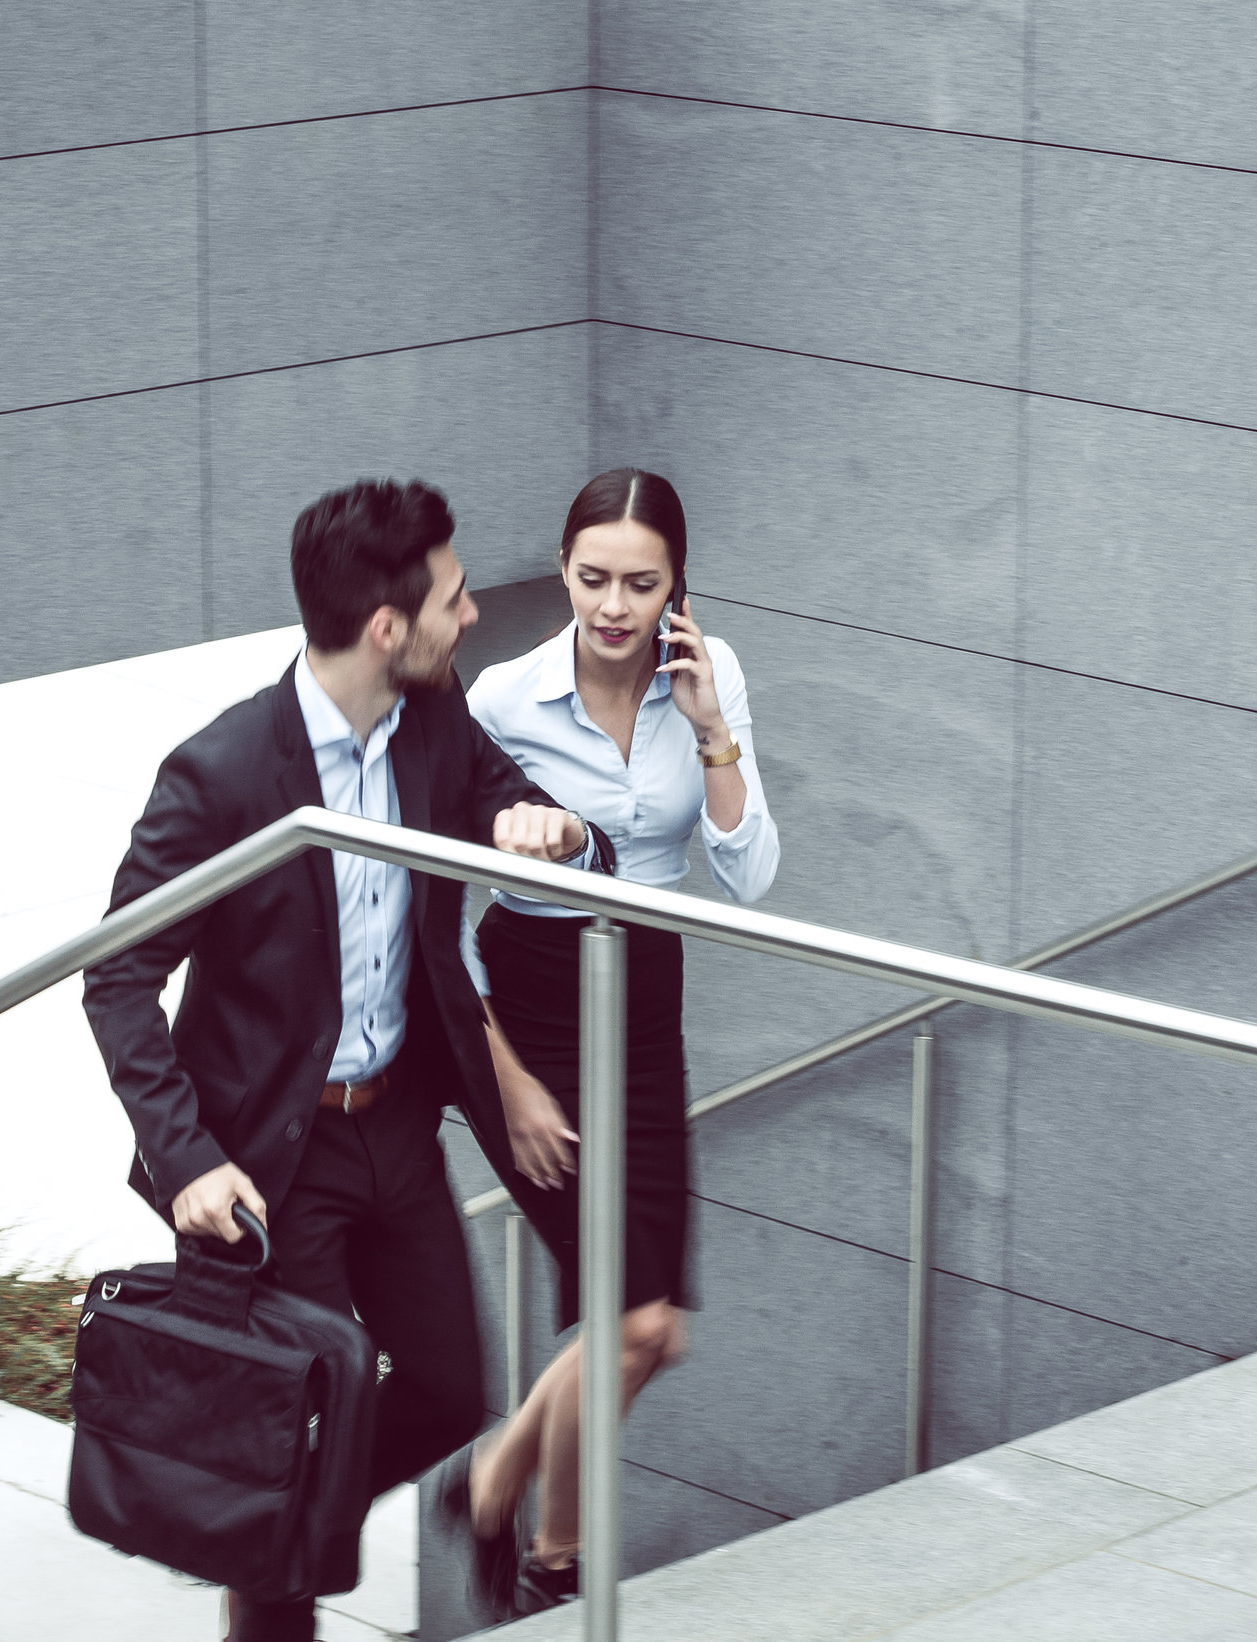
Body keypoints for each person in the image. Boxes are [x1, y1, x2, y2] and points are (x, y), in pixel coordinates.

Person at [80, 479, 610, 1642]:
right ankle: (272, 1548)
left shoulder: (429, 720)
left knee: (445, 1388)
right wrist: (188, 1163)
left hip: (397, 1132)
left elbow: (507, 797)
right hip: (271, 1157)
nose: (471, 617)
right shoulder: (221, 775)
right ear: (388, 625)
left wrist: (550, 824)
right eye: (456, 599)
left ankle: (270, 1514)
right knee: (296, 1421)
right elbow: (116, 975)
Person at [453, 469, 780, 1616]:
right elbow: (429, 913)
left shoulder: (713, 675)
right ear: (561, 570)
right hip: (527, 1008)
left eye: (641, 582)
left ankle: (497, 1487)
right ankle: (549, 1556)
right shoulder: (500, 700)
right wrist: (508, 1081)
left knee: (656, 1332)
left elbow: (747, 880)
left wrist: (712, 736)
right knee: (631, 1319)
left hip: (645, 996)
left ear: (673, 584)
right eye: (594, 578)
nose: (615, 605)